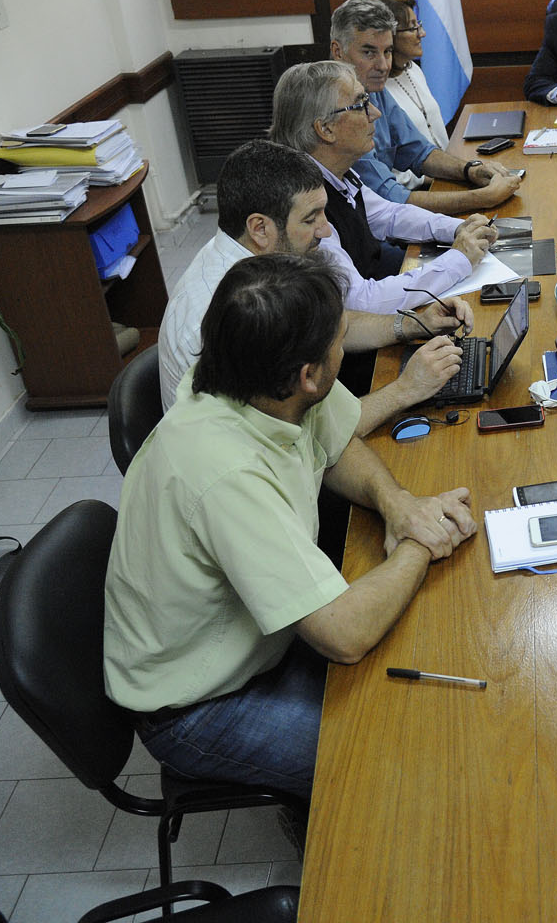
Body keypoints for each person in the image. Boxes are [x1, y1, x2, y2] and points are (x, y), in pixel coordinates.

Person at [105, 254, 478, 800]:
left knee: (433, 673)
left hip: (265, 639)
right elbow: (343, 635)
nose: (343, 341)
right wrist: (422, 542)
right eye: (339, 337)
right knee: (407, 771)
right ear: (309, 374)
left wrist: (399, 505)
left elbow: (336, 442)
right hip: (200, 705)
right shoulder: (222, 471)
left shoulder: (251, 375)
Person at [157, 139, 467, 431]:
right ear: (260, 228)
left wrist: (413, 324)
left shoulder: (256, 262)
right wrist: (405, 390)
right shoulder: (229, 314)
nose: (326, 230)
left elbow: (329, 324)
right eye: (311, 219)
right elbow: (307, 438)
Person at [270, 61, 500, 318]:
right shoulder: (304, 205)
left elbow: (388, 215)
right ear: (325, 129)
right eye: (361, 105)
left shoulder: (333, 171)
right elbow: (362, 302)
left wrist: (458, 228)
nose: (375, 113)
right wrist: (458, 259)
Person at [328, 0, 521, 212]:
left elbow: (419, 152)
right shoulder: (335, 110)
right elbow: (392, 200)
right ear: (338, 51)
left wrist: (470, 170)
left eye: (388, 51)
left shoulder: (371, 89)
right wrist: (483, 198)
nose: (383, 66)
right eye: (369, 52)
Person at [370, 0, 449, 191]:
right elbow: (386, 174)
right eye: (413, 28)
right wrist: (430, 179)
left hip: (445, 176)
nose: (421, 34)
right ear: (391, 36)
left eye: (418, 25)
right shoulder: (375, 91)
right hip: (416, 193)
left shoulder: (414, 70)